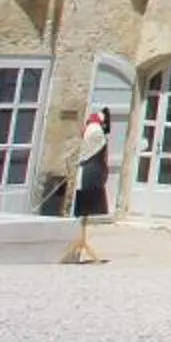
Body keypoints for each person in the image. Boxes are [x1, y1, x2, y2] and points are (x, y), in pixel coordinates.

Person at [61, 109, 110, 265]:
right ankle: (77, 243)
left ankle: (78, 244)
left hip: (87, 170)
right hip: (92, 171)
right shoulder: (96, 132)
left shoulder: (91, 131)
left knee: (83, 208)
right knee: (85, 207)